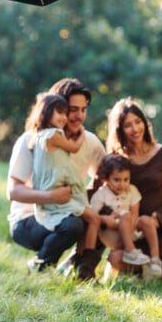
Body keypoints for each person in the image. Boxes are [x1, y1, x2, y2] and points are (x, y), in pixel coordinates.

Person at [7, 78, 105, 279]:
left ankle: (82, 271)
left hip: (66, 210)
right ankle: (41, 267)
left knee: (104, 214)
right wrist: (51, 195)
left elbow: (106, 177)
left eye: (83, 109)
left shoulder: (90, 141)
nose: (79, 116)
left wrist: (85, 198)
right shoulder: (32, 140)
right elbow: (13, 191)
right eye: (72, 109)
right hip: (28, 220)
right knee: (73, 224)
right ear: (54, 108)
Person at [104, 97, 162, 279]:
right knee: (115, 258)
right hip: (130, 230)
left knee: (161, 266)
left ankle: (154, 268)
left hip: (155, 230)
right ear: (120, 130)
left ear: (145, 122)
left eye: (138, 122)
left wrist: (161, 217)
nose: (135, 129)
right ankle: (143, 271)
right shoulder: (117, 160)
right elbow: (100, 189)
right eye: (128, 125)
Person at [25, 93, 102, 272]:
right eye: (58, 113)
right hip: (59, 195)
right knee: (94, 218)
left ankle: (78, 264)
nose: (64, 118)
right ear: (45, 113)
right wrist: (82, 133)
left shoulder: (38, 136)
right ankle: (83, 266)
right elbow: (74, 147)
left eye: (65, 113)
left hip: (59, 191)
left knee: (91, 219)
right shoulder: (53, 135)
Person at [90, 153, 161, 276]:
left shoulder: (132, 190)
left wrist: (128, 221)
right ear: (106, 179)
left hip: (130, 228)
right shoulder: (101, 195)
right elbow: (93, 217)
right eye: (116, 180)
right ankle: (130, 250)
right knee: (124, 215)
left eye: (126, 179)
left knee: (145, 220)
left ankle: (155, 260)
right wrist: (106, 219)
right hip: (112, 234)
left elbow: (134, 215)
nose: (122, 184)